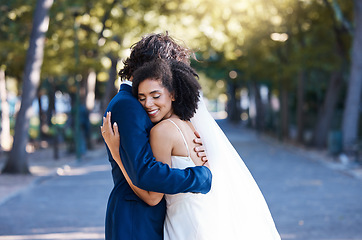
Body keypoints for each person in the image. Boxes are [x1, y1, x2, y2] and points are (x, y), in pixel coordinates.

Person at [102, 58, 281, 239]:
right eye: (142, 98)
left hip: (184, 224)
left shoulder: (162, 131)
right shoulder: (190, 126)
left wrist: (117, 154)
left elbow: (153, 196)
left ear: (172, 94)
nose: (148, 104)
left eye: (156, 96)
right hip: (203, 216)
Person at [101, 33, 212, 240]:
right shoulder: (128, 106)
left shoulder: (144, 106)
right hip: (136, 218)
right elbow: (146, 175)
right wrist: (199, 176)